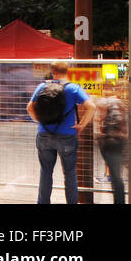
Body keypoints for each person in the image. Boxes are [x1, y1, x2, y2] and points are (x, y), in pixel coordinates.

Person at [27, 60, 95, 204]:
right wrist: (81, 125)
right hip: (67, 136)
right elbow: (91, 107)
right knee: (69, 173)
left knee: (45, 172)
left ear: (53, 71)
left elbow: (29, 108)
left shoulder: (42, 86)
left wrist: (39, 121)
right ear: (67, 72)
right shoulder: (73, 88)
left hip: (44, 134)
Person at [96, 86, 128, 205]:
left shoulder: (105, 103)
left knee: (116, 177)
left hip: (111, 142)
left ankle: (120, 201)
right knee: (116, 175)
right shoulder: (122, 104)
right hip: (121, 141)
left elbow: (98, 108)